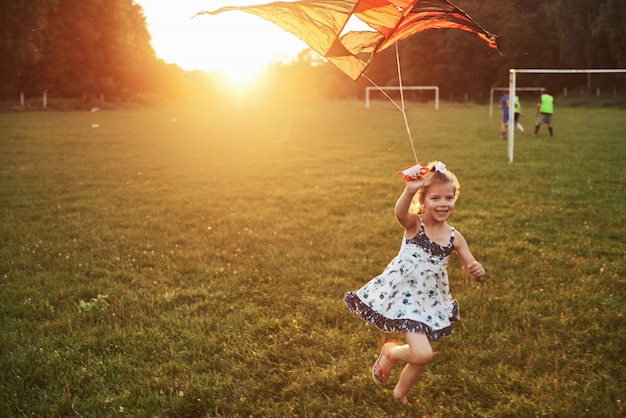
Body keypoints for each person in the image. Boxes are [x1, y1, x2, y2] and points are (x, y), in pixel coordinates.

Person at [344, 161, 485, 404]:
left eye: (449, 198)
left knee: (422, 355)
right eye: (435, 198)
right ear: (423, 200)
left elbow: (470, 266)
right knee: (423, 354)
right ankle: (394, 353)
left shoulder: (454, 237)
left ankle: (399, 389)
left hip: (431, 301)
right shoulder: (415, 224)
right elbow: (400, 213)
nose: (443, 204)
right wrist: (410, 190)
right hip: (405, 297)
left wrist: (476, 270)